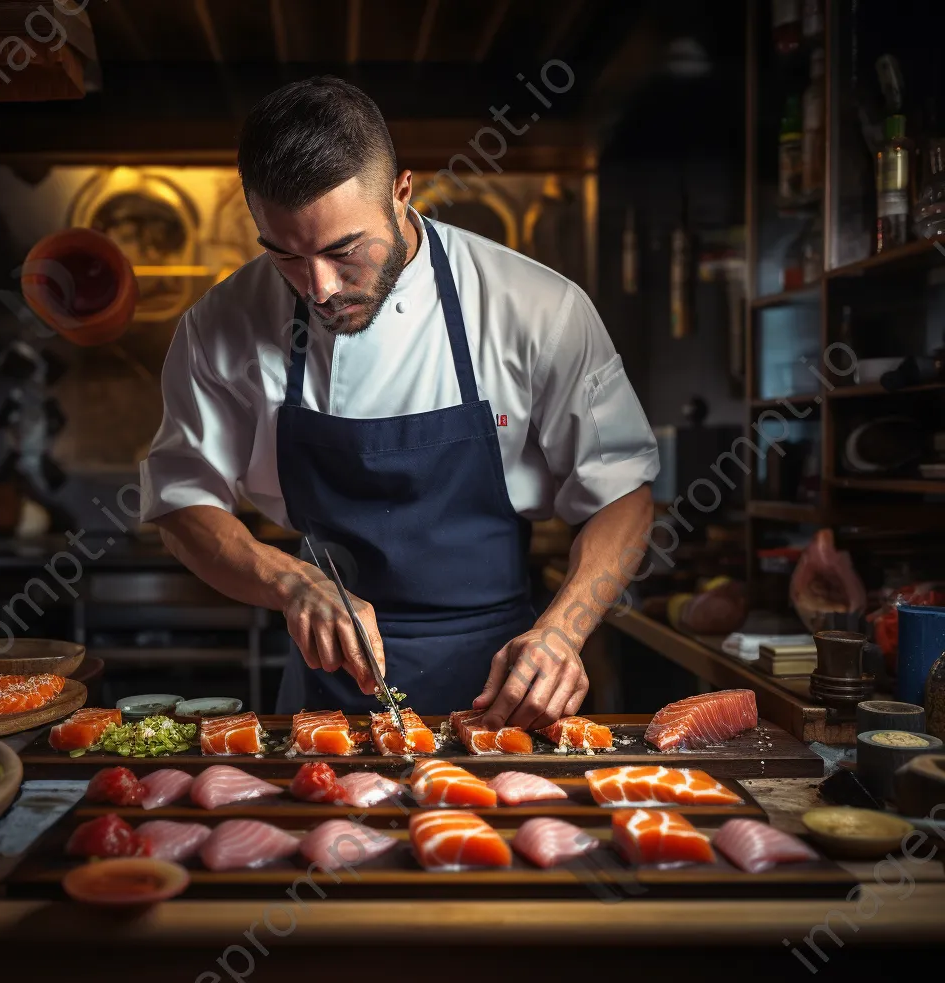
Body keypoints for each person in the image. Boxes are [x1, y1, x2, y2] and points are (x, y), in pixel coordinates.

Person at [140, 76, 658, 729]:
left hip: (501, 690)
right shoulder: (222, 325)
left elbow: (624, 492)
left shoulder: (535, 308)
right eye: (285, 257)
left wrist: (565, 628)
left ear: (402, 191)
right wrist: (292, 580)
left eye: (343, 251)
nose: (319, 288)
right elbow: (183, 503)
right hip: (328, 689)